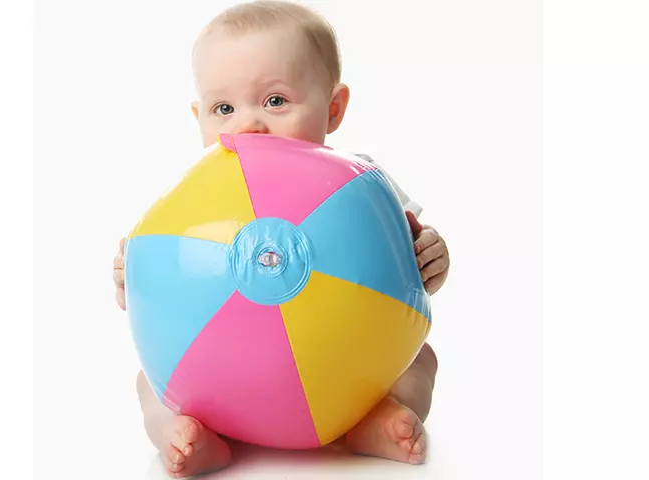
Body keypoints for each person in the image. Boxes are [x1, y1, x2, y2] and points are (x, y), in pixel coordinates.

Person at [112, 1, 450, 477]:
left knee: (421, 360)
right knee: (152, 382)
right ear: (199, 116)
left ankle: (376, 420)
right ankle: (183, 434)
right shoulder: (198, 195)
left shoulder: (360, 185)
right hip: (227, 382)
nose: (248, 124)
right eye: (223, 108)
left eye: (275, 101)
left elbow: (409, 275)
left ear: (333, 108)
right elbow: (159, 267)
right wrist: (132, 273)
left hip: (343, 378)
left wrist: (433, 258)